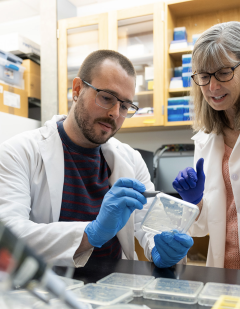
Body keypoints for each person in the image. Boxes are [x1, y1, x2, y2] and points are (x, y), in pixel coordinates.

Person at [0, 50, 193, 268]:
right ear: (77, 89)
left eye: (125, 106)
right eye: (106, 98)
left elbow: (150, 226)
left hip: (115, 293)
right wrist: (92, 233)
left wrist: (164, 250)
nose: (115, 113)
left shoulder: (131, 160)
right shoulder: (18, 152)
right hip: (46, 292)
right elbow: (8, 236)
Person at [172, 21, 240, 269]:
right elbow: (202, 228)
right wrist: (195, 201)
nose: (212, 87)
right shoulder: (206, 140)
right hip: (225, 276)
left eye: (224, 73)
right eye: (203, 76)